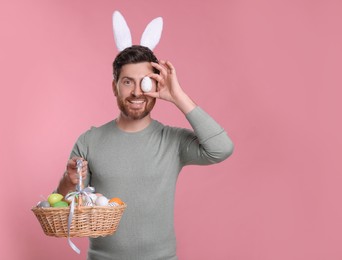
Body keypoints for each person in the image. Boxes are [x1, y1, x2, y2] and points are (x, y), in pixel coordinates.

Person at [56, 45, 234, 260]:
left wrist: (178, 96)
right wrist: (68, 179)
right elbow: (67, 209)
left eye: (145, 82)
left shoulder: (172, 141)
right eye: (128, 81)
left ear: (157, 86)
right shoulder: (89, 141)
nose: (137, 92)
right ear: (115, 87)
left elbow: (221, 148)